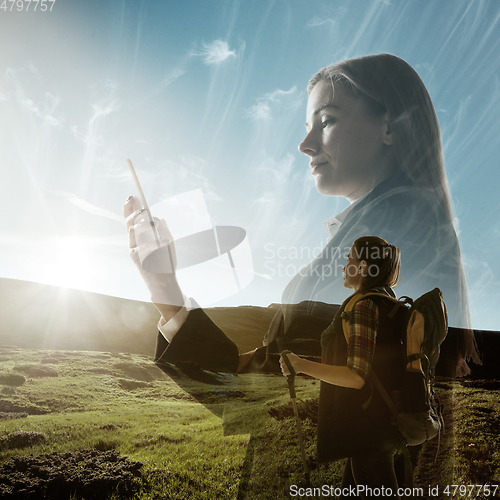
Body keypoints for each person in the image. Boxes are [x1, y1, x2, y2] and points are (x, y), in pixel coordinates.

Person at [124, 53, 479, 379]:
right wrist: (163, 287)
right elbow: (268, 373)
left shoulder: (402, 216)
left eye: (327, 121)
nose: (305, 144)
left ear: (390, 127)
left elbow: (279, 383)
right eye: (307, 126)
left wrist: (166, 290)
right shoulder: (392, 221)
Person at [280, 236, 405, 500]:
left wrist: (301, 365)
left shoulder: (364, 306)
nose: (343, 266)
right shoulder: (386, 302)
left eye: (348, 260)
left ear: (362, 267)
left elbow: (356, 375)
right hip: (373, 426)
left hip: (367, 431)